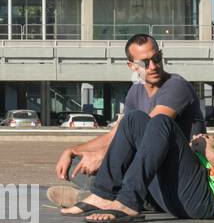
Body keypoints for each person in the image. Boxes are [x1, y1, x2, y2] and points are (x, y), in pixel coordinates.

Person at [52, 32, 204, 213]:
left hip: (179, 178)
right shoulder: (136, 91)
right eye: (144, 63)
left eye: (157, 58)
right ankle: (101, 193)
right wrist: (73, 150)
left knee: (130, 130)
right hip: (150, 172)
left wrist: (102, 157)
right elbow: (115, 135)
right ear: (132, 66)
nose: (153, 66)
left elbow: (153, 132)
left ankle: (100, 195)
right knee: (79, 163)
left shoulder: (176, 86)